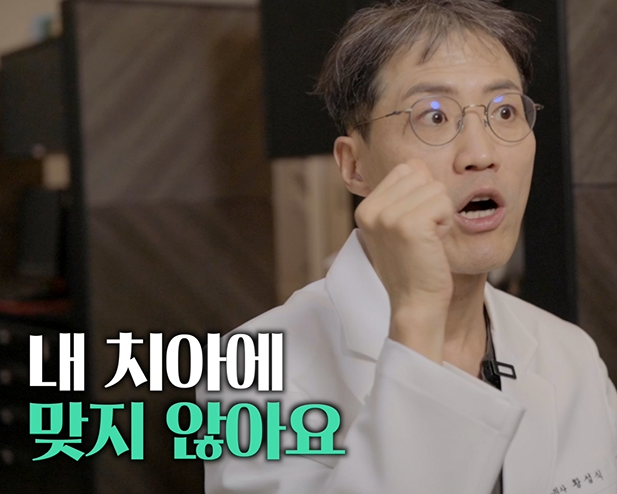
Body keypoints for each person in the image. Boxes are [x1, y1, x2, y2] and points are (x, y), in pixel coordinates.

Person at [196, 1, 617, 492]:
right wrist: (418, 315)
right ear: (354, 166)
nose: (481, 154)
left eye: (504, 111)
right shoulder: (254, 369)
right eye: (433, 117)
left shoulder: (570, 354)